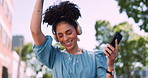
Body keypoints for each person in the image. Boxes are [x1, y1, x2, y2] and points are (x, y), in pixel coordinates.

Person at [30, 0, 118, 78]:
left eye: (69, 33)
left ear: (77, 30)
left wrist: (110, 65)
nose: (65, 38)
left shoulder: (96, 57)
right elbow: (35, 31)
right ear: (56, 38)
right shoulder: (54, 57)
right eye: (60, 36)